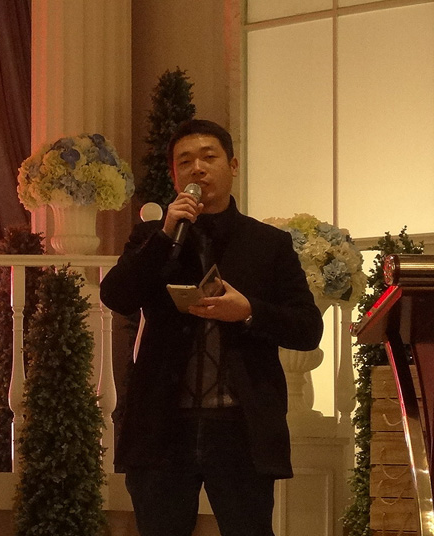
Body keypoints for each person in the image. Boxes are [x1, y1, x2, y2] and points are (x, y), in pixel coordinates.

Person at [100, 119, 323, 536]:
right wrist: (165, 234)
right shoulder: (152, 237)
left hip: (240, 426)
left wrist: (249, 311)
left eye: (208, 157)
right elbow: (116, 296)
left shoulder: (268, 243)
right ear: (175, 176)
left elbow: (308, 328)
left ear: (232, 165)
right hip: (162, 425)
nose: (197, 169)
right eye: (185, 162)